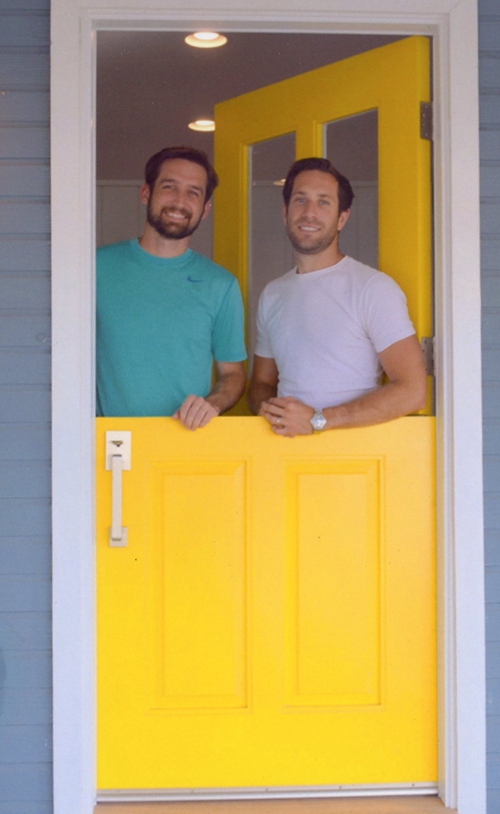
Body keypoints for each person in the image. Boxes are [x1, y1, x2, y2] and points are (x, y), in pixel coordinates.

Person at [248, 157, 427, 437]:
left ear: (342, 217)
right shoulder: (272, 294)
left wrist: (318, 420)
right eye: (300, 200)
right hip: (283, 456)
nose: (309, 212)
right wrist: (272, 412)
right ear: (285, 212)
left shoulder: (373, 288)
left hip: (353, 462)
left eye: (323, 202)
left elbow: (413, 391)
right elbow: (261, 382)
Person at [97, 146, 246, 429]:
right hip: (106, 445)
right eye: (169, 187)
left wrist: (212, 403)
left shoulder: (221, 285)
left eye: (194, 192)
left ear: (205, 209)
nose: (180, 201)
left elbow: (233, 373)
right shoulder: (94, 269)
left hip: (182, 446)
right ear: (145, 193)